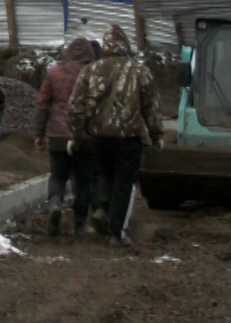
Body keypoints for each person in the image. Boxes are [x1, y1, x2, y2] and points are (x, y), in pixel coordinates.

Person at [66, 24, 163, 247]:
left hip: (99, 136)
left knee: (105, 175)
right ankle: (116, 232)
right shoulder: (139, 71)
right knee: (123, 182)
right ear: (125, 43)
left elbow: (75, 105)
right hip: (129, 136)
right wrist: (156, 135)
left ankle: (100, 209)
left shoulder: (90, 70)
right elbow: (151, 107)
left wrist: (77, 133)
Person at [33, 38, 95, 236]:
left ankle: (54, 204)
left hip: (58, 135)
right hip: (84, 136)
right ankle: (80, 224)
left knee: (58, 175)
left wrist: (39, 134)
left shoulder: (54, 73)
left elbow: (42, 104)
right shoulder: (93, 74)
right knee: (83, 180)